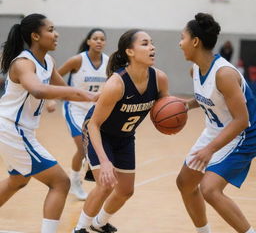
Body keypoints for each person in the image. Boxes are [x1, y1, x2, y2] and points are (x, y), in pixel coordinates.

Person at [0, 13, 98, 233]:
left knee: (17, 180)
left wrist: (101, 98)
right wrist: (79, 91)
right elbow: (37, 89)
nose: (56, 34)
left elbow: (66, 92)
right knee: (60, 183)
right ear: (35, 35)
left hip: (19, 130)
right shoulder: (23, 63)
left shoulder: (48, 61)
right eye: (51, 30)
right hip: (12, 129)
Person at [72, 29, 169, 233]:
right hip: (99, 132)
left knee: (125, 190)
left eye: (152, 43)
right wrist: (105, 162)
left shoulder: (160, 78)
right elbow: (94, 125)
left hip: (125, 136)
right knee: (105, 184)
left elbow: (167, 109)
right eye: (144, 43)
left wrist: (182, 111)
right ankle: (80, 228)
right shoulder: (116, 83)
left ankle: (99, 223)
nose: (152, 47)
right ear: (130, 52)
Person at [177, 12, 256, 233]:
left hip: (244, 135)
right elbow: (210, 99)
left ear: (195, 41)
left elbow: (242, 120)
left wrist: (210, 149)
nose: (179, 43)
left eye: (182, 37)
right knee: (185, 183)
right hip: (216, 129)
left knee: (210, 189)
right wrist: (188, 105)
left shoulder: (224, 74)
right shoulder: (195, 69)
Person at [48, 28, 108, 201]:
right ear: (88, 41)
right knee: (83, 146)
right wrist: (51, 99)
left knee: (93, 146)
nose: (99, 41)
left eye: (102, 39)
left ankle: (85, 169)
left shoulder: (108, 61)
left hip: (95, 109)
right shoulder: (77, 60)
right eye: (95, 38)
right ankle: (75, 181)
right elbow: (54, 76)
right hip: (74, 107)